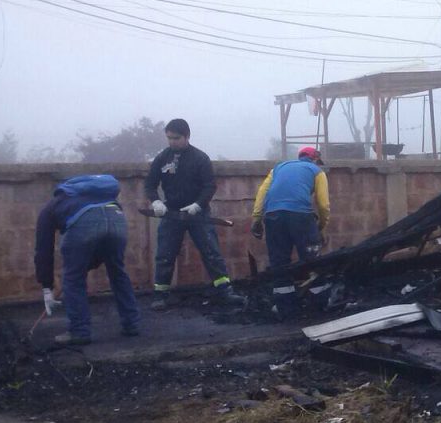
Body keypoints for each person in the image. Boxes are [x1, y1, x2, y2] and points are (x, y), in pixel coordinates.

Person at [144, 118, 244, 309]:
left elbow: (209, 186)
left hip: (198, 214)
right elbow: (149, 184)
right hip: (172, 214)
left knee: (211, 252)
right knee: (165, 254)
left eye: (176, 138)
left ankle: (224, 291)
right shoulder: (162, 158)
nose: (172, 142)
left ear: (187, 136)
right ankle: (161, 294)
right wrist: (156, 201)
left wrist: (198, 205)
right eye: (169, 138)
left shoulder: (200, 158)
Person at [34, 174, 141, 345]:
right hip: (116, 217)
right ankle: (132, 324)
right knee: (118, 271)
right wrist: (87, 261)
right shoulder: (99, 194)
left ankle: (79, 331)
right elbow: (100, 247)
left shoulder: (50, 208)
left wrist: (46, 287)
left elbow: (43, 250)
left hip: (84, 224)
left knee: (73, 278)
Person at [250, 146, 330, 317]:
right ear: (315, 159)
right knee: (313, 262)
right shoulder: (317, 171)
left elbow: (262, 192)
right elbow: (323, 204)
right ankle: (319, 306)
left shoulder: (278, 168)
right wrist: (321, 227)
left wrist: (257, 219)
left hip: (273, 217)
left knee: (280, 263)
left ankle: (286, 308)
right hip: (301, 216)